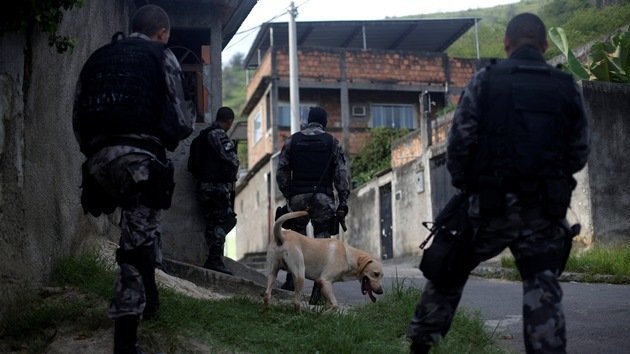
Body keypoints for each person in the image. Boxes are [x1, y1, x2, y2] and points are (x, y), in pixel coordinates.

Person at [406, 13, 589, 354]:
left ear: (507, 44)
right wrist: (552, 182)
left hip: (489, 205)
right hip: (543, 210)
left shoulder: (486, 80)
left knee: (448, 270)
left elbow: (459, 142)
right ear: (545, 45)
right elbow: (579, 152)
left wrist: (468, 185)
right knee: (542, 285)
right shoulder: (565, 87)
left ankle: (421, 345)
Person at [73, 4, 195, 354]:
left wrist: (98, 153)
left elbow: (77, 114)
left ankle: (151, 300)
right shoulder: (162, 54)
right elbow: (183, 120)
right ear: (162, 33)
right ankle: (125, 339)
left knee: (142, 228)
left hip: (97, 164)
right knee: (136, 247)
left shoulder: (99, 55)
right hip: (138, 163)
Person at [275, 106, 351, 303]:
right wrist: (343, 201)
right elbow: (341, 175)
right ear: (324, 122)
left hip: (297, 197)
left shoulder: (292, 140)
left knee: (295, 242)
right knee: (323, 245)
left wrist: (289, 194)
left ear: (307, 121)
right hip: (323, 198)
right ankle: (318, 292)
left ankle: (291, 281)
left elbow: (282, 171)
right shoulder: (332, 142)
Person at [188, 106, 239, 275]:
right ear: (229, 121)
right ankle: (214, 259)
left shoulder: (201, 137)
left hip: (202, 187)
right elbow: (232, 159)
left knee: (211, 223)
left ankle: (213, 257)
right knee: (226, 221)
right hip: (216, 187)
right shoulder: (218, 135)